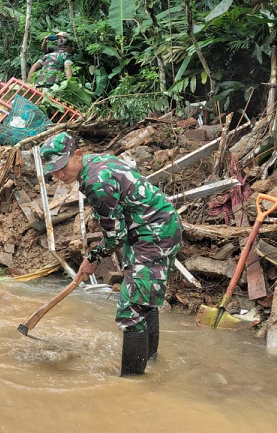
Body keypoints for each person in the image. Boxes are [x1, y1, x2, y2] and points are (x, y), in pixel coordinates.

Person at [39, 132, 182, 376]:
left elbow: (115, 236)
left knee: (132, 310)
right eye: (53, 171)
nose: (59, 175)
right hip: (150, 229)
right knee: (144, 299)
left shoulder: (97, 182)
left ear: (78, 155)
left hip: (153, 233)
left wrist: (92, 259)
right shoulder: (95, 164)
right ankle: (152, 363)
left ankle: (132, 385)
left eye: (62, 167)